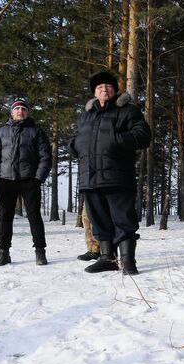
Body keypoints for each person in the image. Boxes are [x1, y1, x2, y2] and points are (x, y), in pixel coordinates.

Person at [68, 71, 151, 274]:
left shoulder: (127, 111)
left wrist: (115, 140)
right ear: (94, 92)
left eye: (108, 86)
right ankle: (107, 258)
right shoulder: (86, 115)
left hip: (118, 177)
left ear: (114, 90)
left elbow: (143, 135)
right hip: (90, 177)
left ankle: (128, 262)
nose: (103, 89)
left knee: (123, 220)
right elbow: (76, 137)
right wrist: (75, 145)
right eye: (99, 87)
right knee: (99, 221)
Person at [0, 99, 52, 266]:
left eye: (23, 109)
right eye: (17, 109)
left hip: (29, 180)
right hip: (5, 181)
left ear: (28, 113)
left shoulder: (36, 132)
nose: (20, 111)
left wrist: (38, 178)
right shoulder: (0, 132)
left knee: (34, 217)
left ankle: (40, 252)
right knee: (5, 218)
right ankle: (3, 253)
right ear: (11, 112)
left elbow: (45, 157)